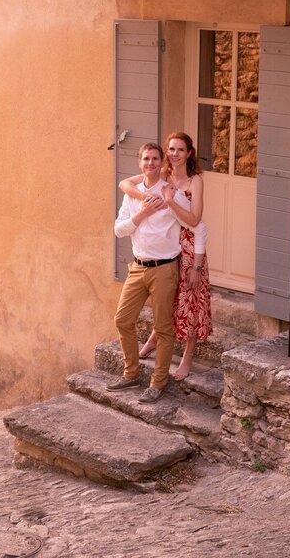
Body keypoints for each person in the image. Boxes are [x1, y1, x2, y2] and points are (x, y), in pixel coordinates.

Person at [109, 142, 201, 403]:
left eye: (154, 159)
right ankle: (131, 374)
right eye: (146, 159)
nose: (150, 163)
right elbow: (119, 230)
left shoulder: (170, 192)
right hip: (137, 268)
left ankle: (158, 383)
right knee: (122, 320)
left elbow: (193, 222)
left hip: (164, 269)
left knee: (163, 328)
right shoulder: (132, 194)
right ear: (140, 163)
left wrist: (171, 203)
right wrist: (142, 214)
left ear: (161, 163)